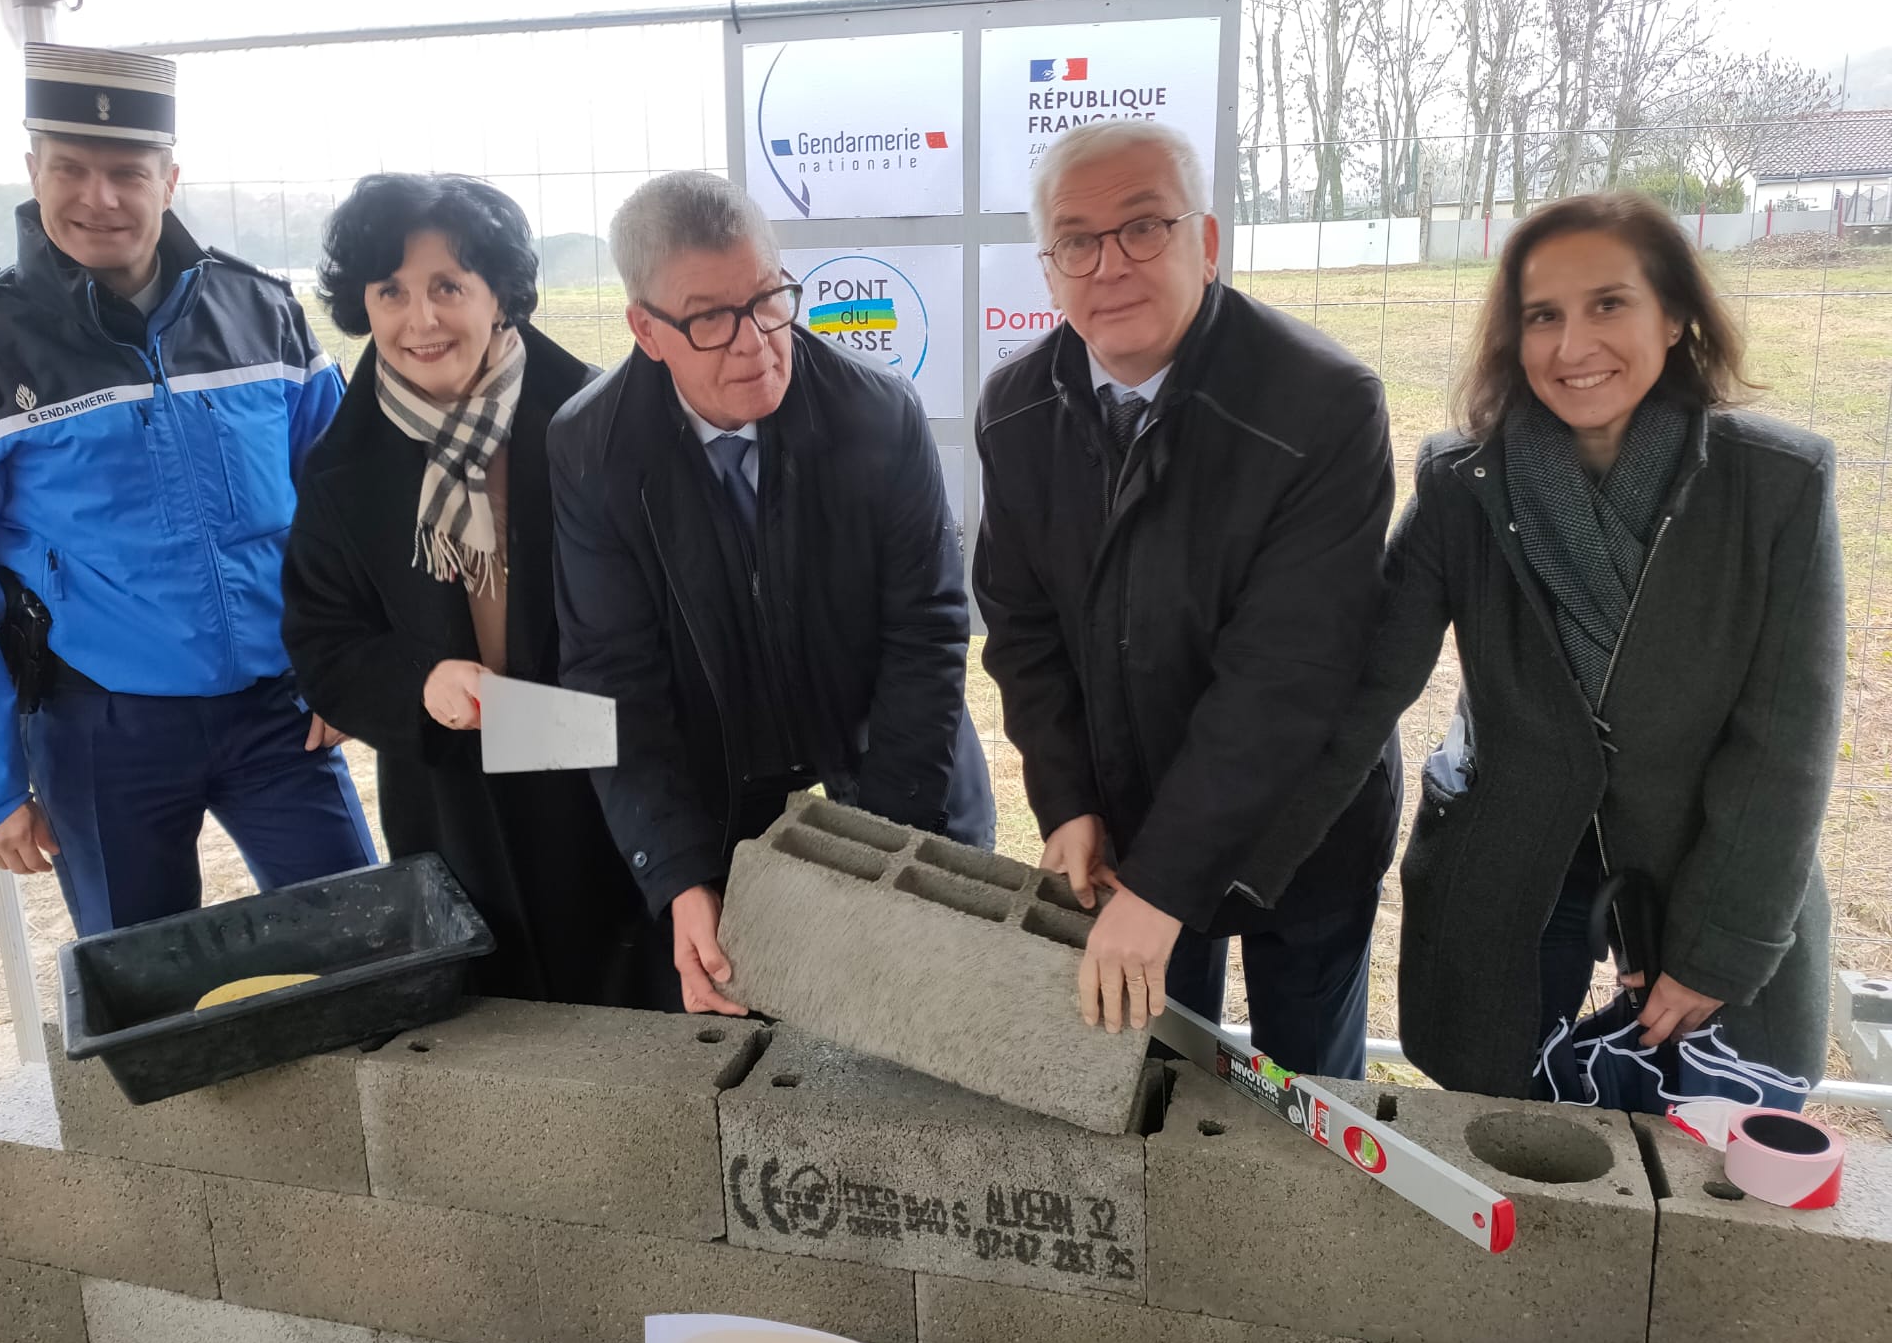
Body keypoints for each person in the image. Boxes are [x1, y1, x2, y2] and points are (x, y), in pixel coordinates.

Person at [1243, 191, 1842, 1098]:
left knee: (1698, 1167)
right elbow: (1367, 688)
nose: (1572, 347)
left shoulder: (1777, 487)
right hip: (1512, 874)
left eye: (1609, 304)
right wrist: (1235, 870)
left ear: (1675, 315)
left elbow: (1784, 749)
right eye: (1542, 317)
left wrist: (1720, 947)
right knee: (1500, 1138)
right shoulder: (1462, 483)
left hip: (1705, 874)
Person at [0, 42, 374, 937]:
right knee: (147, 994)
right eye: (71, 168)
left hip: (280, 713)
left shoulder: (262, 312)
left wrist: (349, 667)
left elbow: (346, 507)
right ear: (33, 171)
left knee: (363, 938)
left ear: (169, 180)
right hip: (101, 730)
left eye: (126, 172)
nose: (98, 197)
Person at [974, 119, 1400, 1077]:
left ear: (1206, 243)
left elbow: (1286, 679)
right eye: (1076, 241)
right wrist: (1068, 802)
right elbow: (1023, 627)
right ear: (1048, 270)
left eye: (1144, 227)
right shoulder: (1016, 409)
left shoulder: (1323, 406)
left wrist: (1163, 888)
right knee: (1159, 1067)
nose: (1109, 264)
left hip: (1303, 825)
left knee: (1311, 1092)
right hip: (1130, 823)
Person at [548, 169, 994, 1017]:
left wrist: (890, 850)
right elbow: (612, 684)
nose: (755, 341)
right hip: (721, 803)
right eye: (710, 318)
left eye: (769, 298)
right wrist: (679, 875)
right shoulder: (591, 451)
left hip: (894, 774)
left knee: (925, 1016)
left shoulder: (877, 413)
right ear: (646, 329)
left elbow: (927, 635)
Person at [282, 174, 668, 1006]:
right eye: (392, 292)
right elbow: (323, 640)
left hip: (608, 785)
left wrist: (561, 726)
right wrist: (421, 683)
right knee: (491, 1027)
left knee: (628, 1006)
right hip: (452, 796)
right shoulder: (342, 465)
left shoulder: (600, 420)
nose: (420, 320)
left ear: (500, 296)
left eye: (448, 286)